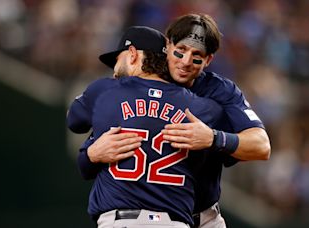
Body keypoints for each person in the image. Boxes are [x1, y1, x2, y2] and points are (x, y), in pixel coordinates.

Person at [79, 13, 271, 228]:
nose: (186, 62)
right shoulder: (135, 87)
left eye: (197, 56)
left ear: (209, 60)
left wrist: (214, 138)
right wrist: (92, 153)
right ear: (167, 45)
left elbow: (262, 146)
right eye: (180, 51)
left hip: (204, 216)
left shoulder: (220, 91)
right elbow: (86, 164)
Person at [67, 26, 226, 228]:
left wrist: (90, 151)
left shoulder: (105, 91)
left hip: (123, 221)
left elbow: (74, 121)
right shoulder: (201, 108)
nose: (115, 72)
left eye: (117, 61)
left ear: (132, 54)